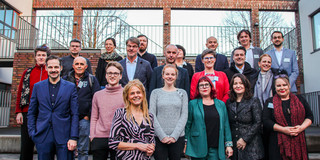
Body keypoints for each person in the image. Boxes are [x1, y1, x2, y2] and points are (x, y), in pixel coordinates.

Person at [28, 55, 79, 160]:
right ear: (46, 68)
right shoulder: (38, 87)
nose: (53, 70)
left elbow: (74, 114)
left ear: (61, 68)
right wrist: (33, 133)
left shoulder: (70, 87)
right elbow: (32, 112)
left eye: (56, 67)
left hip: (64, 136)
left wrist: (73, 137)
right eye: (50, 67)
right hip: (43, 136)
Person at [263, 74, 313, 160]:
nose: (282, 88)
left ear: (289, 86)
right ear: (275, 87)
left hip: (298, 141)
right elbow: (266, 121)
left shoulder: (300, 100)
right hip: (278, 144)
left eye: (284, 85)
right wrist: (284, 130)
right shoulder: (270, 102)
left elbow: (309, 116)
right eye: (278, 86)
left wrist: (301, 128)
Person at [15, 44, 50, 160]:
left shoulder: (50, 73)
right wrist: (18, 111)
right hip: (27, 112)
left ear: (47, 57)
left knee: (44, 145)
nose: (41, 57)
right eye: (38, 55)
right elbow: (20, 92)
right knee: (26, 145)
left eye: (43, 55)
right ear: (35, 57)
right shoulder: (27, 72)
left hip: (44, 113)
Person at [185, 76, 233, 160]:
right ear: (198, 89)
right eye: (201, 85)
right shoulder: (192, 104)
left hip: (215, 147)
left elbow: (226, 125)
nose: (204, 87)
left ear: (211, 87)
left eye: (207, 85)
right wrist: (186, 144)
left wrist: (228, 145)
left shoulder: (221, 104)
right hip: (197, 146)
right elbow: (188, 125)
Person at [63, 56, 100, 160]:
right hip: (68, 119)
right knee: (67, 147)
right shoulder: (65, 79)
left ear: (86, 66)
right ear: (73, 66)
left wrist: (88, 116)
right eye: (77, 64)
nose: (79, 66)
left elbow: (95, 99)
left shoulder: (91, 79)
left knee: (83, 149)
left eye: (82, 64)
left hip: (84, 119)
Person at [109, 79, 155, 160]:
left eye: (138, 92)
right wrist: (137, 146)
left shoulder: (149, 116)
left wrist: (151, 149)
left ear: (143, 95)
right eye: (132, 93)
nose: (136, 95)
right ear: (127, 97)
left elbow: (152, 140)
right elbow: (112, 142)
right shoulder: (121, 113)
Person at [149, 64, 188, 160]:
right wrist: (162, 136)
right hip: (159, 138)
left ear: (176, 76)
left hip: (177, 138)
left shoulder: (182, 93)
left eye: (172, 74)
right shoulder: (155, 93)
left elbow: (184, 115)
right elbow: (152, 114)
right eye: (167, 74)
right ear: (163, 76)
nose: (170, 76)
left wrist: (174, 136)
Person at [90, 61, 125, 160]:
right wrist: (92, 136)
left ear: (120, 76)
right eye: (110, 73)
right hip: (100, 137)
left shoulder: (126, 94)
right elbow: (94, 117)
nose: (112, 76)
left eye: (115, 73)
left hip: (119, 138)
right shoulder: (98, 95)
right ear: (106, 75)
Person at [226, 73, 264, 160]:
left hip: (252, 145)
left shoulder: (253, 101)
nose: (238, 86)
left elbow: (258, 122)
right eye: (235, 84)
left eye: (241, 83)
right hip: (235, 144)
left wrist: (245, 139)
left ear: (245, 85)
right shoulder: (229, 102)